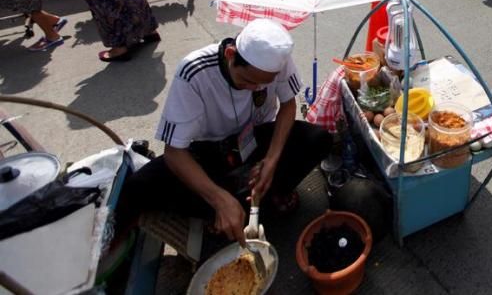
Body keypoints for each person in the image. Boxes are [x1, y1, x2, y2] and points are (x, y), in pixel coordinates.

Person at [117, 19, 332, 245]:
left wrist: (271, 159)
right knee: (140, 186)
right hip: (209, 150)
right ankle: (224, 205)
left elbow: (288, 105)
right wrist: (219, 199)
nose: (256, 89)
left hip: (255, 138)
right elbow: (174, 152)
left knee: (318, 139)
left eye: (263, 84)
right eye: (248, 81)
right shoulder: (194, 71)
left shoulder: (279, 60)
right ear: (230, 54)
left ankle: (266, 194)